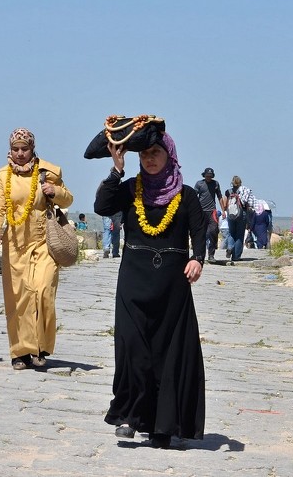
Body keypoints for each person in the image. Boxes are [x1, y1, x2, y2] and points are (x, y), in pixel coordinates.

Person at [94, 133, 206, 449]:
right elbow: (102, 206)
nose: (150, 159)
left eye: (156, 153)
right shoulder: (130, 190)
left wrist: (197, 259)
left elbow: (199, 233)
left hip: (172, 286)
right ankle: (128, 416)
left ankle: (162, 427)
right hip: (133, 280)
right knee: (132, 348)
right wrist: (116, 169)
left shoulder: (186, 196)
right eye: (144, 155)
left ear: (169, 156)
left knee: (167, 355)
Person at [0, 128, 74, 371]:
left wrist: (54, 192)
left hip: (44, 240)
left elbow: (68, 199)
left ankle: (41, 346)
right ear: (10, 150)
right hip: (15, 244)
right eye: (16, 149)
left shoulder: (48, 171)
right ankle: (21, 352)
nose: (20, 153)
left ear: (32, 149)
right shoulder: (3, 176)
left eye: (25, 149)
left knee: (44, 289)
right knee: (20, 297)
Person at [193, 167, 223, 262]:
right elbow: (194, 196)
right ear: (204, 175)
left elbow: (220, 196)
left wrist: (223, 211)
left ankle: (211, 255)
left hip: (212, 211)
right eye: (207, 176)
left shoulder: (215, 184)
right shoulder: (199, 184)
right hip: (201, 211)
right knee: (200, 233)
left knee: (213, 231)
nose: (208, 178)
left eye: (210, 176)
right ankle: (200, 255)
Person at [223, 176, 254, 264]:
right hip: (242, 214)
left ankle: (229, 247)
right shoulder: (243, 191)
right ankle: (236, 257)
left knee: (231, 233)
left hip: (231, 214)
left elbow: (225, 205)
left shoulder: (228, 191)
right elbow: (248, 205)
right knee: (239, 235)